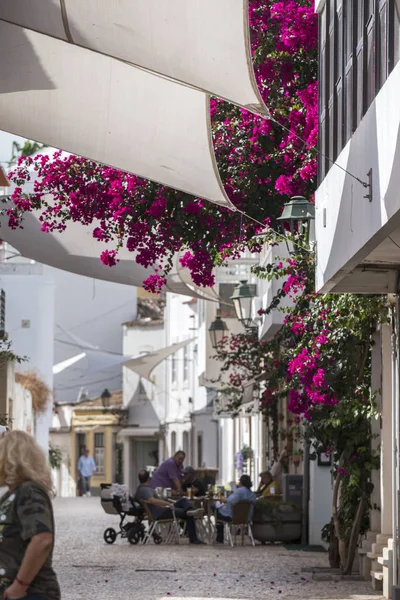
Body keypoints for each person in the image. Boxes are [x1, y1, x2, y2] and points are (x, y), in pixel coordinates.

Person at [0, 430, 61, 600]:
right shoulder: (11, 495)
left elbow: (42, 539)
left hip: (32, 593)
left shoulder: (29, 491)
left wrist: (20, 585)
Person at [135, 470, 204, 544]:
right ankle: (193, 538)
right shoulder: (145, 490)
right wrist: (167, 503)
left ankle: (190, 510)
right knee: (187, 514)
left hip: (162, 510)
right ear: (149, 479)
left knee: (183, 500)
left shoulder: (139, 489)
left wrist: (166, 502)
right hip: (161, 513)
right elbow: (153, 501)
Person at [215, 474, 256, 544]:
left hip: (233, 517)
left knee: (215, 509)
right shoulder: (252, 494)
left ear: (241, 482)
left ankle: (219, 538)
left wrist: (225, 500)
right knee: (218, 509)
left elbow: (230, 501)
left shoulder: (239, 491)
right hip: (246, 518)